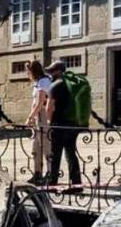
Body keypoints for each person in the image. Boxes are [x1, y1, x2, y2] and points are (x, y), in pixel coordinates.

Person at [45, 60, 82, 193]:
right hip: (73, 123)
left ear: (58, 71)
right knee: (71, 153)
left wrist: (49, 122)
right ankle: (76, 184)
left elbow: (49, 106)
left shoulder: (55, 86)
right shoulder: (73, 85)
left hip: (59, 124)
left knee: (55, 154)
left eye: (52, 71)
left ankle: (52, 183)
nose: (50, 74)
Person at [25, 60, 52, 185]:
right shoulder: (37, 83)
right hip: (37, 118)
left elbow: (41, 101)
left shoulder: (44, 81)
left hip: (43, 117)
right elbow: (34, 103)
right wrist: (30, 117)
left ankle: (50, 173)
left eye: (28, 71)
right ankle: (37, 173)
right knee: (35, 147)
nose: (27, 74)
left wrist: (31, 116)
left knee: (46, 146)